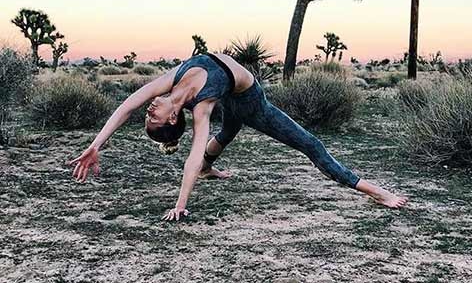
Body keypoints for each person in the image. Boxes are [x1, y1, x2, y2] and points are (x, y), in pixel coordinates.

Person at [69, 52, 408, 221]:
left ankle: (209, 167)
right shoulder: (201, 109)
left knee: (229, 131)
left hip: (234, 98)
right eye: (152, 119)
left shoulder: (171, 82)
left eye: (148, 116)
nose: (148, 111)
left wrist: (95, 145)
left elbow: (127, 104)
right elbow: (190, 157)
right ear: (172, 118)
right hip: (251, 106)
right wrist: (180, 206)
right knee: (310, 145)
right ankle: (375, 192)